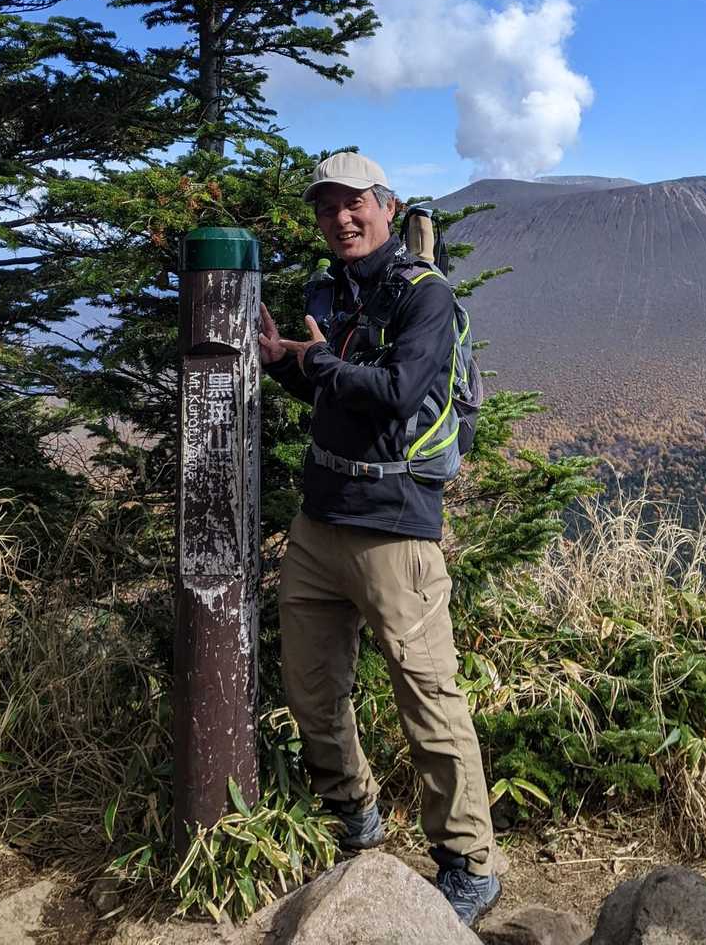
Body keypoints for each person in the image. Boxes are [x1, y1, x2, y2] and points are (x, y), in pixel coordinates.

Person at [260, 151, 501, 928]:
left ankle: (468, 863)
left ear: (387, 207)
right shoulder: (327, 289)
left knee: (427, 695)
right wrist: (286, 364)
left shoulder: (425, 294)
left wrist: (322, 362)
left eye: (355, 203)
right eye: (327, 206)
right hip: (320, 520)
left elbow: (400, 392)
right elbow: (327, 385)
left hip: (395, 526)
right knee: (312, 689)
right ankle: (352, 823)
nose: (341, 218)